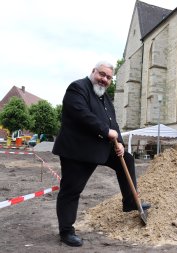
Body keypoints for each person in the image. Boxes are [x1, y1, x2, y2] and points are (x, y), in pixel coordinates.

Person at [52, 61, 150, 247]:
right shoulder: (77, 88)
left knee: (126, 158)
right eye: (101, 75)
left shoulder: (104, 97)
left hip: (100, 147)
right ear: (93, 72)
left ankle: (130, 201)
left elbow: (113, 122)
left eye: (108, 78)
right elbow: (81, 114)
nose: (104, 80)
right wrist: (106, 131)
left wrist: (119, 143)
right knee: (71, 190)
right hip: (77, 150)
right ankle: (66, 231)